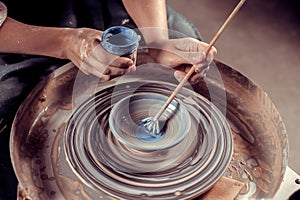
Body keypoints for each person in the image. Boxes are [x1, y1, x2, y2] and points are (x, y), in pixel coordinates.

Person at [0, 0, 216, 199]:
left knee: (183, 59)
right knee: (12, 122)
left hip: (103, 5)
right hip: (18, 30)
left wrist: (158, 41)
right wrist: (66, 43)